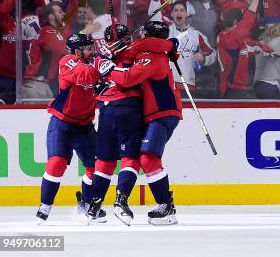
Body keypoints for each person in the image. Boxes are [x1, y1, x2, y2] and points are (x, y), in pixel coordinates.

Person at [105, 21, 182, 225]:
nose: (140, 38)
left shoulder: (153, 56)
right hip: (156, 113)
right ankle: (165, 206)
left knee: (148, 158)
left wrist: (108, 69)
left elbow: (129, 78)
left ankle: (166, 207)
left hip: (162, 112)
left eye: (144, 35)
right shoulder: (156, 52)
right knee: (146, 158)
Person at [36, 33, 112, 224]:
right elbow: (83, 75)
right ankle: (45, 206)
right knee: (57, 163)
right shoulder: (67, 61)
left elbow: (103, 81)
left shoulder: (94, 61)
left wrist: (109, 64)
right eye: (88, 48)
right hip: (62, 123)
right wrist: (101, 67)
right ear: (77, 51)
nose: (91, 51)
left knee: (96, 167)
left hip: (84, 125)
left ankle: (86, 204)